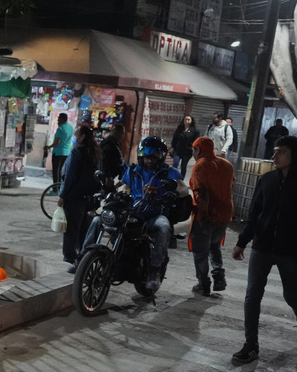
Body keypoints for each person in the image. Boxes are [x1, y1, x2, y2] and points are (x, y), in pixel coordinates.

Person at [230, 136, 297, 365]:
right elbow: (254, 215)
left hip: (293, 250)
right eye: (275, 151)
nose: (274, 156)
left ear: (295, 155)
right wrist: (242, 242)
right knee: (252, 294)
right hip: (263, 246)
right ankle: (251, 345)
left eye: (281, 152)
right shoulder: (266, 180)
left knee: (292, 295)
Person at [82, 137, 189, 292]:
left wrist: (172, 194)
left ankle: (154, 270)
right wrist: (116, 194)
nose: (149, 160)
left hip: (154, 215)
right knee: (99, 219)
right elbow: (124, 187)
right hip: (132, 212)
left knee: (163, 226)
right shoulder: (133, 171)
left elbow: (183, 191)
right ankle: (83, 257)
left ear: (161, 157)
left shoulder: (169, 173)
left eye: (153, 157)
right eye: (146, 156)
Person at [187, 137, 234, 296]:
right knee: (214, 245)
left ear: (198, 150)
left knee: (200, 251)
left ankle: (203, 284)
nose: (193, 153)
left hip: (207, 214)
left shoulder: (200, 166)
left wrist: (205, 212)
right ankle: (219, 276)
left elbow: (201, 192)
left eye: (193, 150)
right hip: (225, 213)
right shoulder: (226, 164)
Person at [58, 124, 102, 272]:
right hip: (90, 197)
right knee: (85, 229)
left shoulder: (77, 152)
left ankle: (72, 257)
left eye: (76, 135)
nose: (74, 138)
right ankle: (84, 258)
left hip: (75, 196)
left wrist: (63, 195)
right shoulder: (95, 152)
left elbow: (70, 176)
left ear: (82, 137)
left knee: (72, 228)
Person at [50, 113, 75, 183]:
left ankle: (55, 188)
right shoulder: (71, 128)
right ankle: (60, 186)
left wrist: (48, 147)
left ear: (62, 119)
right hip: (66, 153)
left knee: (55, 171)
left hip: (58, 152)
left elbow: (57, 142)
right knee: (61, 171)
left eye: (59, 119)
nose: (58, 120)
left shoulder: (60, 129)